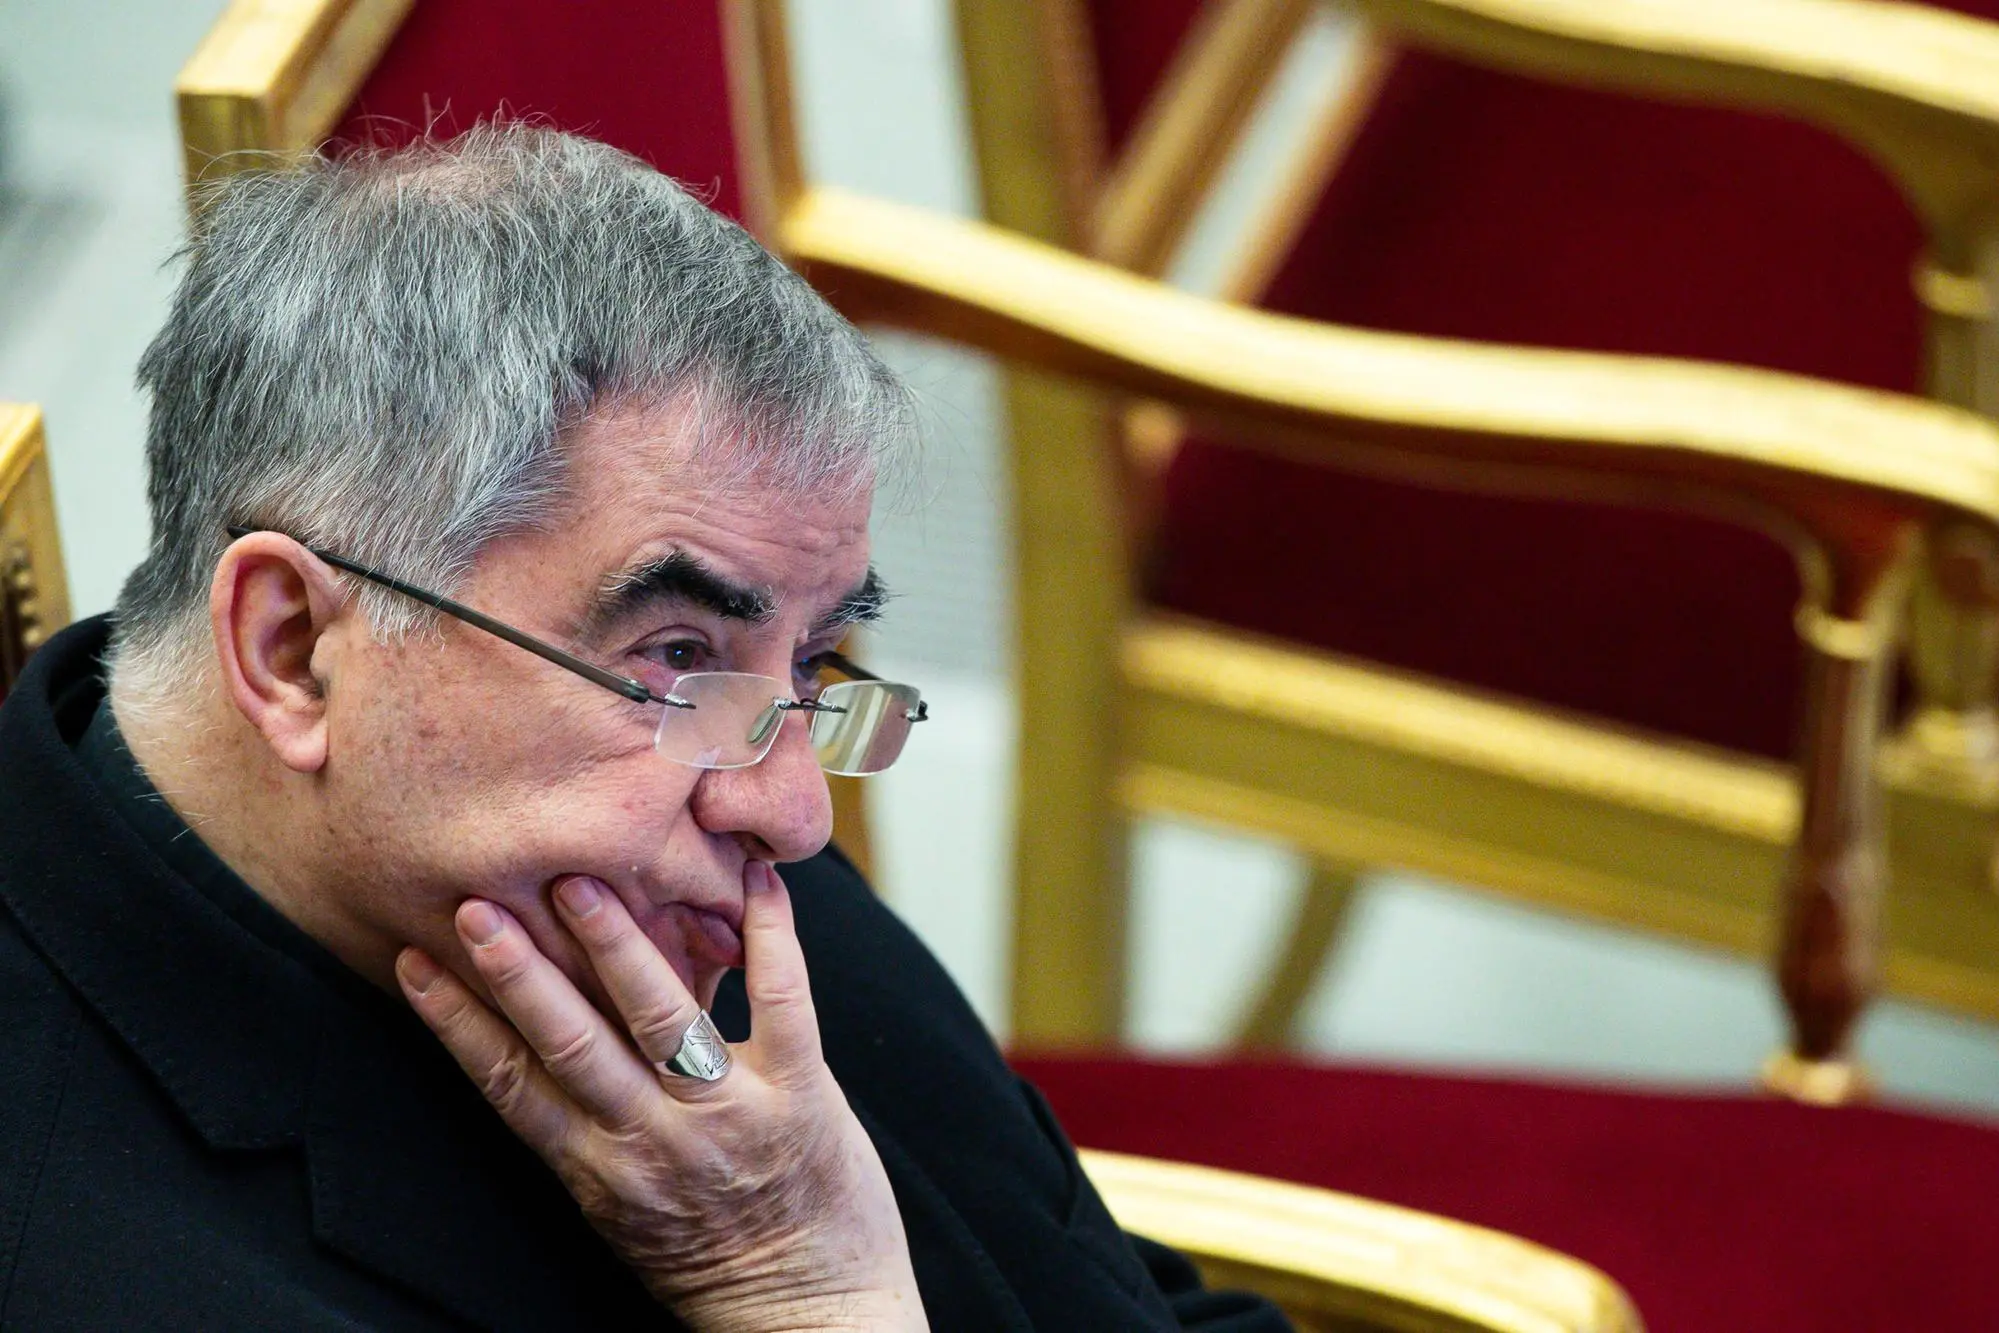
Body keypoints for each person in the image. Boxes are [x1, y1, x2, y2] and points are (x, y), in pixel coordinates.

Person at [0, 126, 1288, 1331]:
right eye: (680, 656)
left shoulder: (654, 841)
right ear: (294, 651)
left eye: (820, 657)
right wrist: (804, 1293)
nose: (799, 815)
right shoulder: (95, 1267)